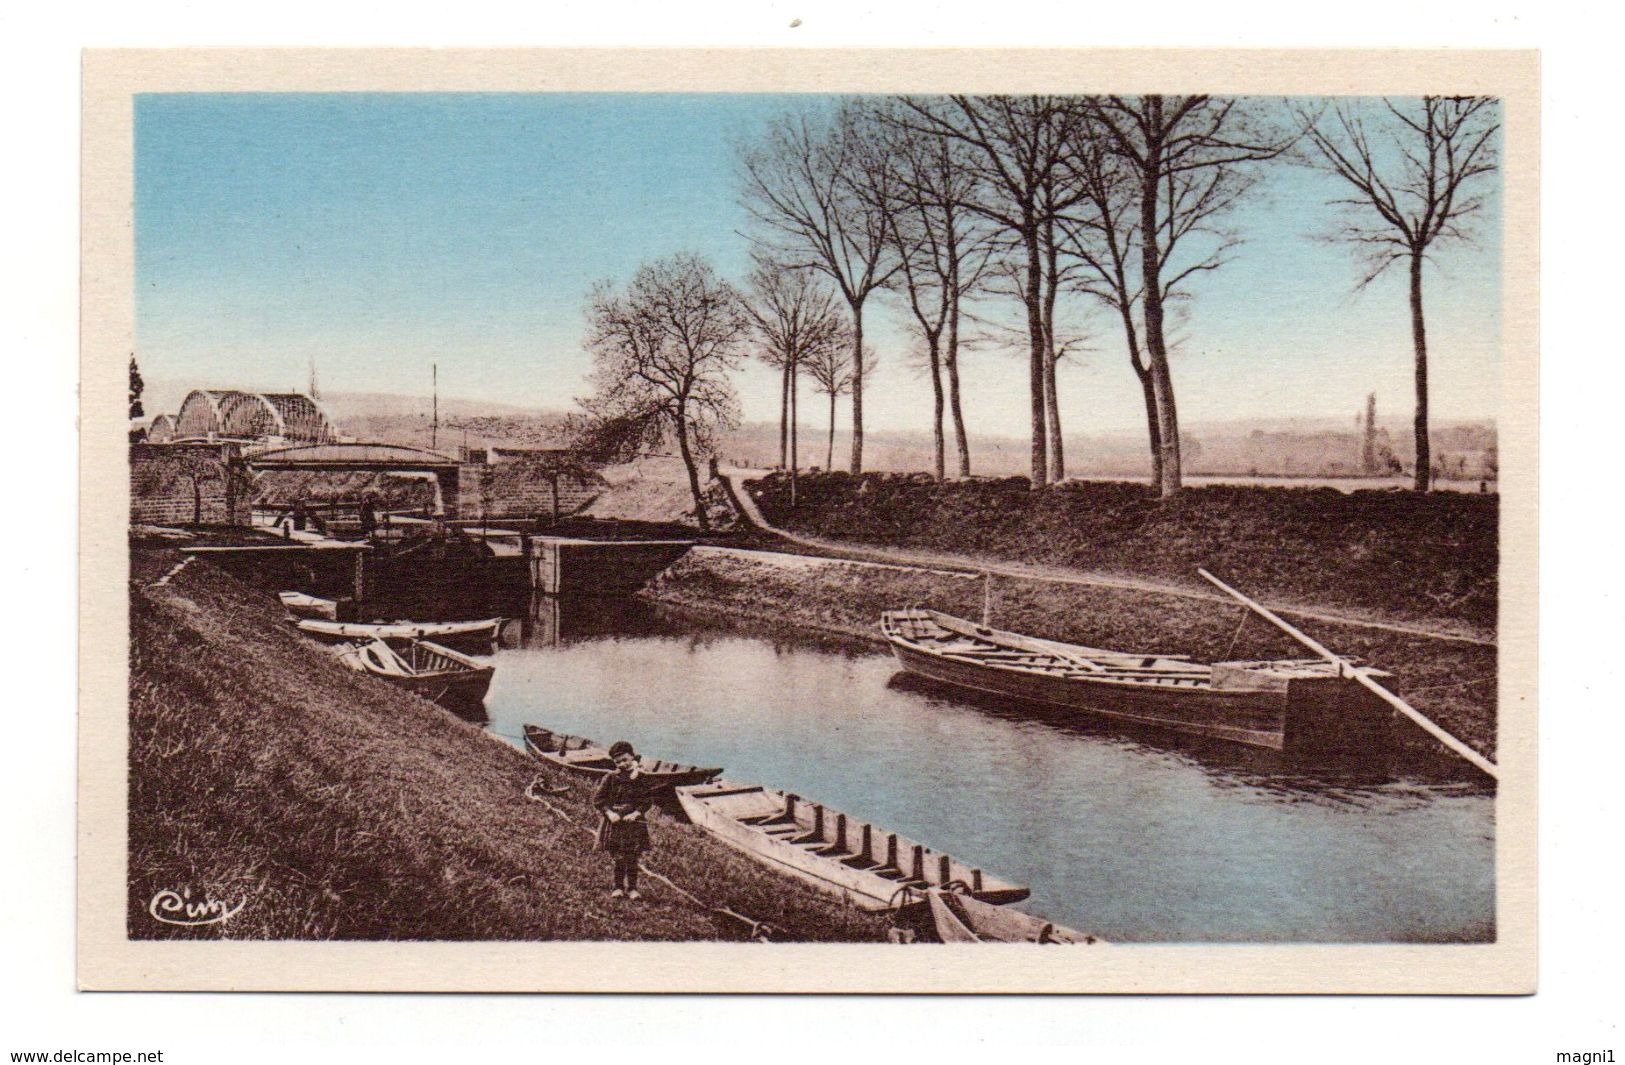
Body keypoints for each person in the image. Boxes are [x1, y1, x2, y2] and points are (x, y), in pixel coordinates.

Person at [592, 741, 655, 900]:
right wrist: (609, 813)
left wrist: (636, 813)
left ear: (632, 757)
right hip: (615, 823)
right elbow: (598, 800)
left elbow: (647, 800)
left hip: (633, 824)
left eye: (625, 760)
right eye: (617, 761)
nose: (622, 764)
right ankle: (618, 887)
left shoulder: (641, 777)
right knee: (619, 857)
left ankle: (633, 889)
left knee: (633, 857)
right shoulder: (611, 777)